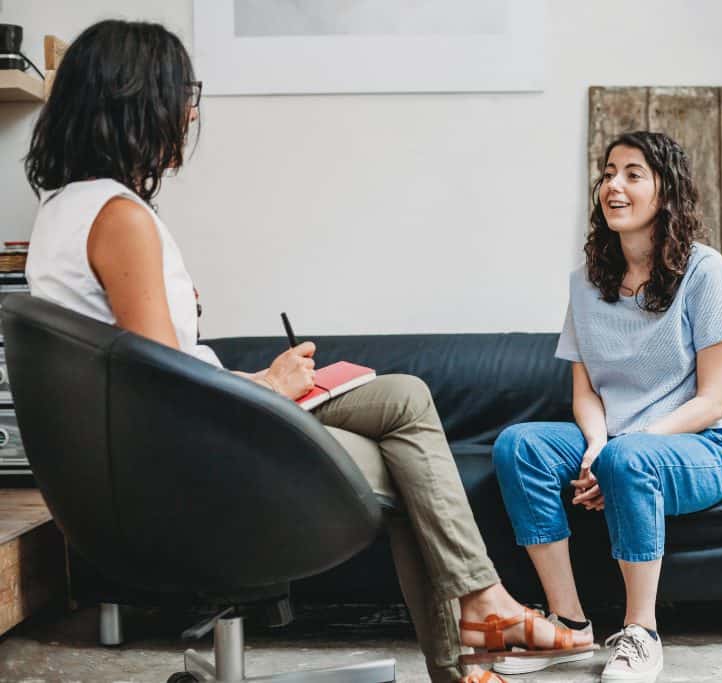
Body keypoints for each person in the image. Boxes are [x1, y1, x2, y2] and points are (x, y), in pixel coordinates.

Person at [22, 20, 592, 683]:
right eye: (184, 91)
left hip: (159, 460)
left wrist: (257, 376)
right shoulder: (118, 219)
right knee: (408, 458)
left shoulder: (65, 210)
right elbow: (160, 396)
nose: (192, 110)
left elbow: (154, 373)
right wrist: (267, 392)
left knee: (406, 398)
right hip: (185, 468)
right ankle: (475, 631)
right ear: (135, 100)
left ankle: (475, 634)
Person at [492, 131, 722, 682]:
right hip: (617, 438)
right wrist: (596, 445)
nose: (613, 184)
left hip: (705, 443)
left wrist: (622, 449)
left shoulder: (708, 274)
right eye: (609, 172)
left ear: (666, 192)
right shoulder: (587, 283)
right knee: (519, 445)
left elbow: (712, 401)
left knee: (627, 459)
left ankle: (641, 633)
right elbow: (584, 390)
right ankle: (567, 626)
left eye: (633, 174)